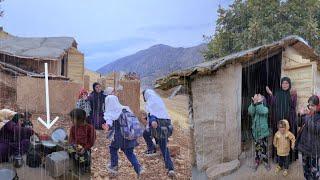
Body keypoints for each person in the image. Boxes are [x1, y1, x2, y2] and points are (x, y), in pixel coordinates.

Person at [102, 95, 144, 177]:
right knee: (129, 152)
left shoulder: (111, 112)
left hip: (120, 136)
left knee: (113, 148)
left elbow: (109, 123)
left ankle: (114, 166)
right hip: (130, 135)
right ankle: (139, 169)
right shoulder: (125, 109)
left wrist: (107, 127)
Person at [142, 89, 175, 177]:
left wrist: (151, 120)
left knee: (162, 146)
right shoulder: (158, 100)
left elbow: (152, 115)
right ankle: (170, 168)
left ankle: (170, 168)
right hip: (165, 126)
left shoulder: (150, 102)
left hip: (157, 127)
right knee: (148, 134)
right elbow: (162, 114)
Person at [266, 77, 298, 162]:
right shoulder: (278, 93)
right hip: (278, 120)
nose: (285, 85)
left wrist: (293, 96)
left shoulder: (292, 93)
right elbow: (272, 103)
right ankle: (279, 158)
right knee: (279, 138)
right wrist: (270, 94)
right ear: (281, 84)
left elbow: (293, 105)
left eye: (287, 83)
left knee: (288, 138)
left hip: (289, 120)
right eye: (283, 83)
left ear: (289, 84)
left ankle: (288, 159)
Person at [296, 95, 320, 179]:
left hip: (314, 149)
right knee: (305, 168)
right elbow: (299, 124)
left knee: (314, 170)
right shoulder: (308, 114)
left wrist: (307, 116)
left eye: (312, 105)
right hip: (304, 146)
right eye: (309, 105)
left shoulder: (317, 116)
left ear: (318, 106)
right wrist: (300, 114)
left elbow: (315, 129)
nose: (310, 107)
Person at [68, 108, 96, 174]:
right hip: (76, 146)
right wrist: (74, 145)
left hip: (85, 147)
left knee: (83, 157)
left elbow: (91, 141)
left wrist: (85, 148)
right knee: (70, 150)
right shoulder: (73, 128)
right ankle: (76, 164)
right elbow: (71, 138)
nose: (71, 120)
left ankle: (84, 167)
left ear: (80, 119)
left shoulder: (90, 128)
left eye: (72, 118)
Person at [248, 94, 270, 171]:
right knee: (257, 149)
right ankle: (257, 161)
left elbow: (261, 111)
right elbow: (250, 112)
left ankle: (265, 161)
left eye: (259, 97)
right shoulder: (254, 107)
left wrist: (258, 103)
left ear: (263, 101)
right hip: (256, 132)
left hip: (263, 132)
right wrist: (254, 103)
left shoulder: (265, 109)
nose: (257, 98)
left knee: (264, 148)